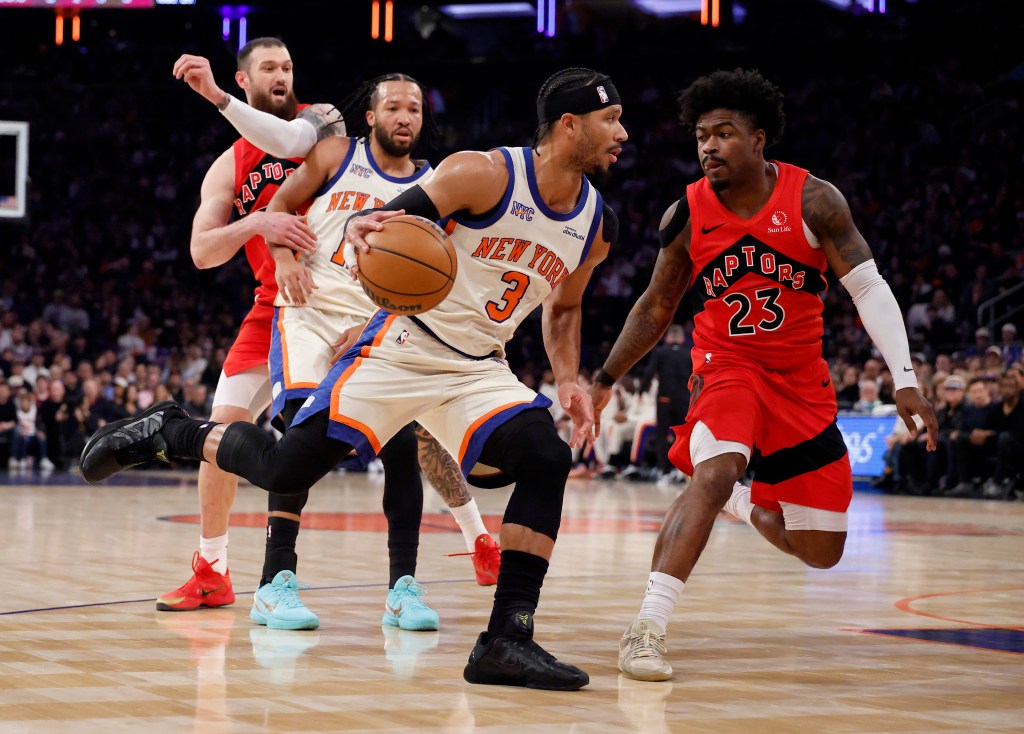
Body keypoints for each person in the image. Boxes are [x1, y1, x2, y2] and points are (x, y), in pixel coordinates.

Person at [82, 66, 626, 691]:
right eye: (610, 120)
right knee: (287, 468)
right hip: (399, 346)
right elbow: (381, 225)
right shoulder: (484, 173)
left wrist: (568, 381)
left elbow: (564, 306)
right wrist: (367, 241)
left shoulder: (597, 224)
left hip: (477, 368)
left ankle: (506, 640)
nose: (623, 133)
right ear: (568, 124)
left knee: (544, 456)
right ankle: (171, 431)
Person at [587, 69, 938, 681]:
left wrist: (903, 377)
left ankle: (744, 500)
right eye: (701, 136)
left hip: (801, 382)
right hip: (726, 367)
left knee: (822, 552)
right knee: (717, 467)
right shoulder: (688, 212)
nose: (708, 147)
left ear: (759, 139)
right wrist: (605, 377)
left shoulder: (814, 200)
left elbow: (868, 287)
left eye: (723, 133)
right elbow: (655, 306)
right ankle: (647, 626)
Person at [170, 57, 500, 624]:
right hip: (305, 312)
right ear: (370, 114)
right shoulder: (327, 151)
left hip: (377, 327)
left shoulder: (426, 176)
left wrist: (387, 320)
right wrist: (282, 259)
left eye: (414, 108)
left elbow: (445, 274)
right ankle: (267, 579)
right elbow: (271, 212)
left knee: (401, 444)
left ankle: (405, 588)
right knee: (291, 441)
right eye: (393, 106)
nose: (404, 115)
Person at [157, 38, 336, 615]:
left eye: (288, 65)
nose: (282, 75)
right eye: (269, 68)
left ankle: (474, 535)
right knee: (221, 435)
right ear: (245, 80)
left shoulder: (321, 125)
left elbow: (289, 141)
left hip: (343, 302)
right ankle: (212, 569)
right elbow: (202, 252)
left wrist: (210, 97)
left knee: (416, 426)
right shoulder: (229, 165)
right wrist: (256, 221)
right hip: (272, 309)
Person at [638, 323, 692, 484]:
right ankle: (682, 470)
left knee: (662, 434)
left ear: (667, 337)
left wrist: (641, 391)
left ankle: (664, 470)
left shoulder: (660, 352)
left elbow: (649, 372)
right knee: (682, 436)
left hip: (664, 399)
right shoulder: (688, 353)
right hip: (684, 399)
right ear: (682, 338)